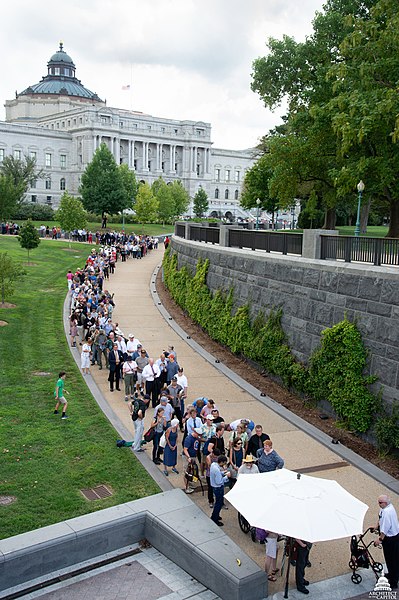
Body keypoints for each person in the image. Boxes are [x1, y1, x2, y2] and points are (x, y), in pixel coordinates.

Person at [373, 495, 399, 589]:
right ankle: (392, 574)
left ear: (385, 503)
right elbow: (380, 518)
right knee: (390, 559)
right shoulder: (385, 508)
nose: (379, 504)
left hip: (391, 539)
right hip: (391, 538)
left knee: (392, 560)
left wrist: (379, 539)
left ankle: (393, 581)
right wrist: (376, 526)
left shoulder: (388, 512)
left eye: (380, 502)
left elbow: (385, 528)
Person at [209, 455, 231, 526]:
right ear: (222, 462)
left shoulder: (213, 465)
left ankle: (216, 515)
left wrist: (223, 473)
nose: (224, 465)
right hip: (218, 488)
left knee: (217, 503)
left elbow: (217, 474)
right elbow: (219, 481)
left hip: (214, 487)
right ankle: (214, 518)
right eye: (224, 463)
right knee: (218, 504)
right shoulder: (217, 470)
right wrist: (226, 477)